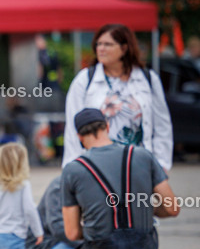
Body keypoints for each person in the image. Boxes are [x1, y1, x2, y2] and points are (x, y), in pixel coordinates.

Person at [53, 109, 179, 249]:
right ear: (107, 127)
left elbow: (72, 232)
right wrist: (145, 209)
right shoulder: (143, 156)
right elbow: (172, 208)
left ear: (79, 137)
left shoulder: (73, 170)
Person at [62, 24, 173, 172]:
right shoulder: (85, 79)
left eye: (108, 44)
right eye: (98, 44)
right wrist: (72, 167)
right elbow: (72, 127)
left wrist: (162, 164)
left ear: (124, 48)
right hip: (98, 166)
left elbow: (162, 125)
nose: (101, 49)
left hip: (139, 164)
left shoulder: (148, 79)